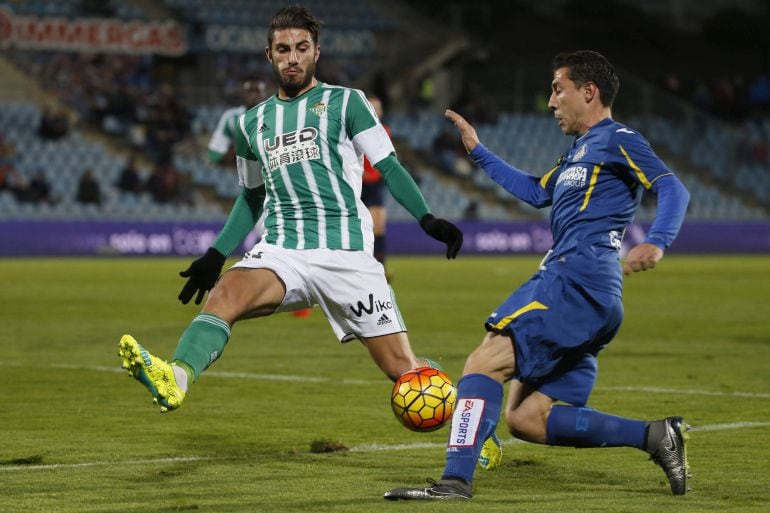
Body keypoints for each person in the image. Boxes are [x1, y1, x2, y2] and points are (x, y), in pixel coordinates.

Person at [118, 6, 463, 416]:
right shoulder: (252, 123)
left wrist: (427, 218)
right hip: (284, 250)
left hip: (346, 253)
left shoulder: (347, 102)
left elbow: (389, 165)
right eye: (283, 49)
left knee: (405, 374)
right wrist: (216, 254)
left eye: (302, 48)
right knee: (224, 294)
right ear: (270, 55)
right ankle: (175, 378)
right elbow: (251, 197)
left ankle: (473, 417)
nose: (293, 57)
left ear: (317, 51)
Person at [384, 50, 691, 501]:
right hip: (593, 296)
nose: (550, 101)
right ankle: (655, 436)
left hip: (575, 280)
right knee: (526, 419)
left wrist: (657, 240)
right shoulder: (578, 154)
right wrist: (478, 150)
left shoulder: (618, 138)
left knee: (482, 363)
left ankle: (454, 481)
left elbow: (671, 186)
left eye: (557, 89)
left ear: (589, 92)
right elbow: (534, 191)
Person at [207, 76, 268, 165]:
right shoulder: (231, 116)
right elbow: (216, 151)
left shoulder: (275, 114)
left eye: (257, 92)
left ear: (264, 94)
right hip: (237, 168)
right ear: (243, 94)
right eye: (249, 92)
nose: (253, 95)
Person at [361, 95, 390, 271]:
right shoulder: (353, 130)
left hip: (375, 182)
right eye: (371, 107)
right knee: (366, 227)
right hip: (359, 182)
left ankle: (381, 266)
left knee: (379, 225)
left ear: (381, 111)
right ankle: (367, 266)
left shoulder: (384, 130)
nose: (374, 110)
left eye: (376, 107)